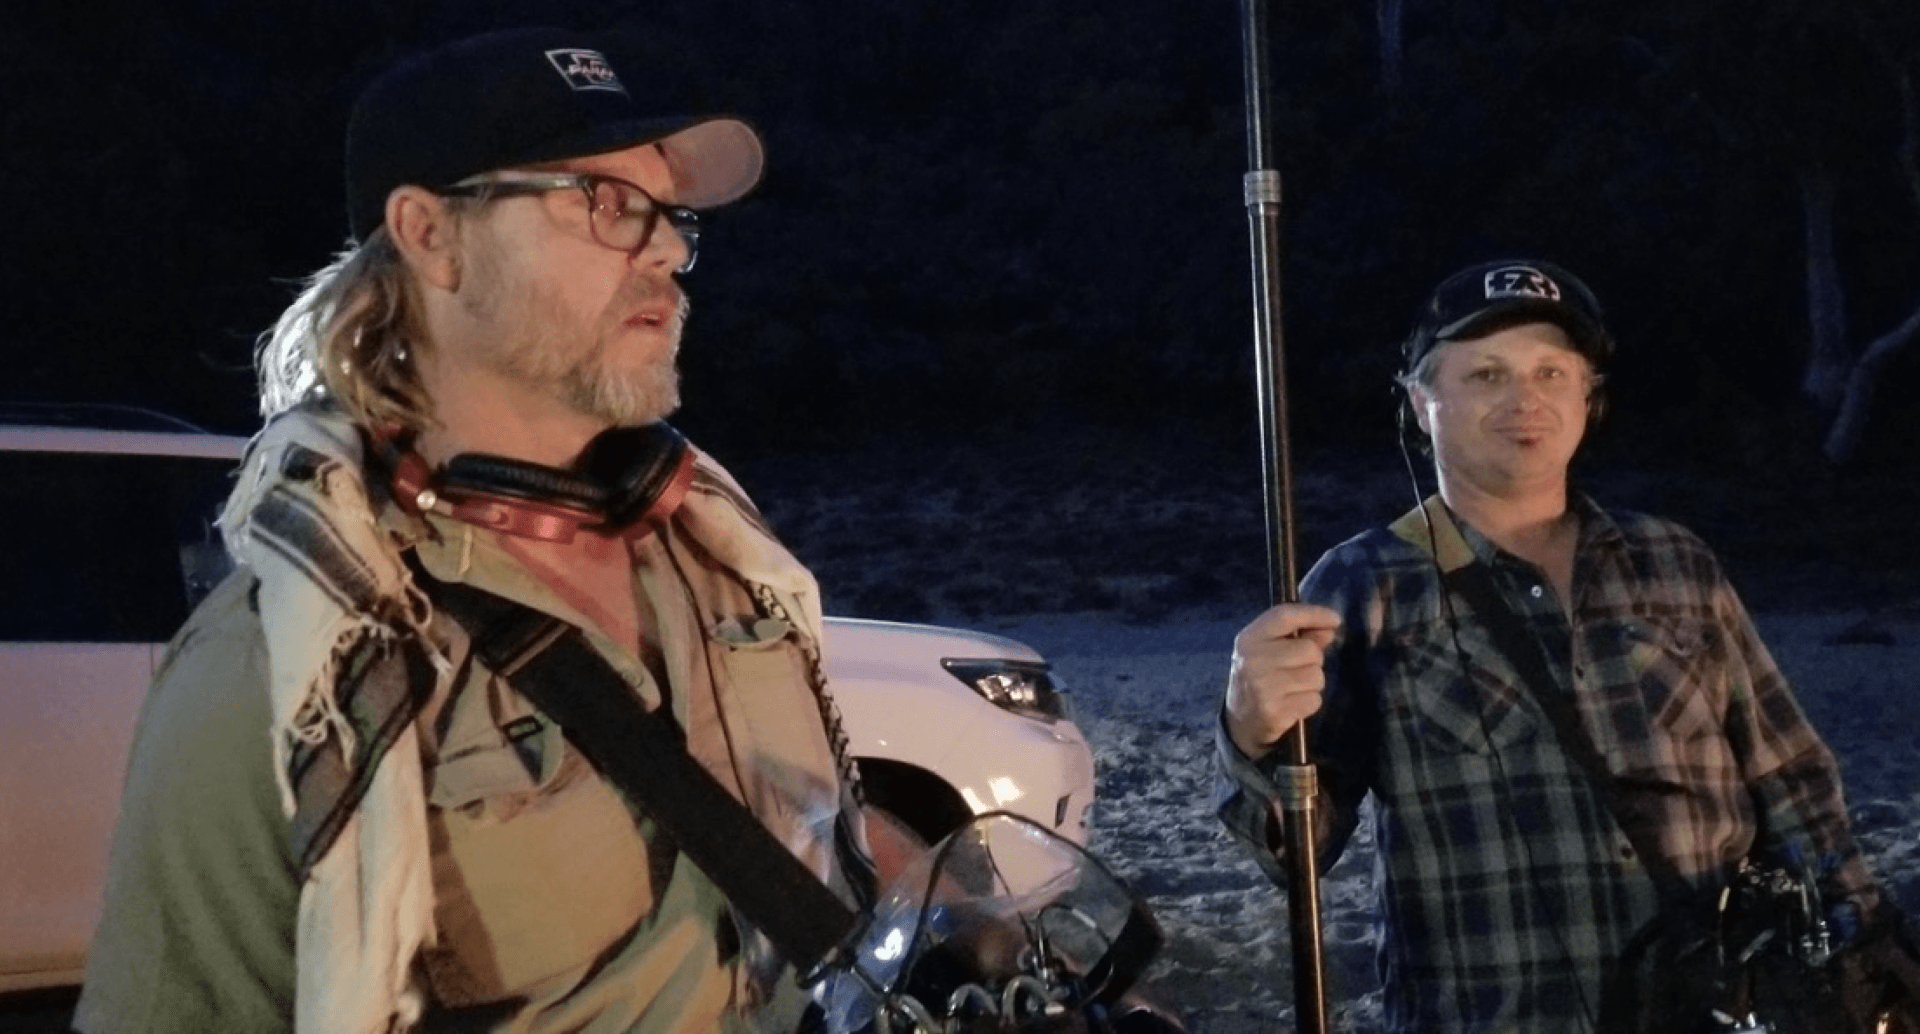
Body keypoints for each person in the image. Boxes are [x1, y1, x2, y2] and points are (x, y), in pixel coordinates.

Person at [76, 26, 884, 1034]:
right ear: (431, 234)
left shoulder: (722, 565)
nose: (672, 248)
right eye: (609, 203)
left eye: (670, 216)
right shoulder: (276, 677)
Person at [1213, 259, 1889, 1032]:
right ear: (1421, 404)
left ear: (1589, 398)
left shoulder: (1676, 560)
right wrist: (1252, 734)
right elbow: (1292, 854)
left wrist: (1863, 956)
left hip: (1719, 1011)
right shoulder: (1359, 583)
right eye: (1487, 375)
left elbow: (1793, 780)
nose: (1524, 398)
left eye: (1551, 372)